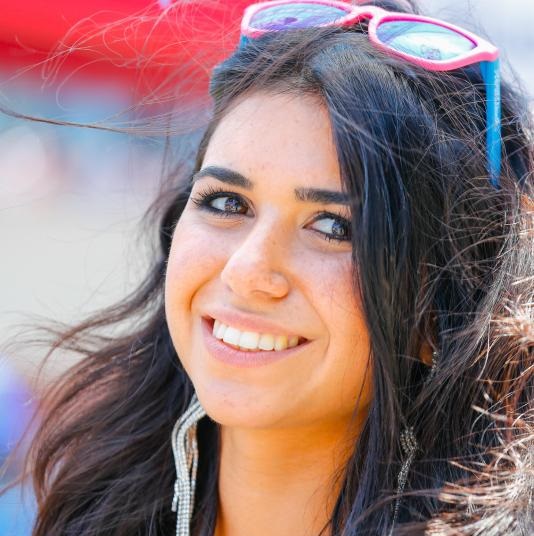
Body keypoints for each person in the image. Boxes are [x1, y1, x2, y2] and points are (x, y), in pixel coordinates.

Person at [2, 0, 532, 535]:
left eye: (333, 227)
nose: (247, 269)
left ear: (439, 311)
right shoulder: (79, 513)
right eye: (227, 203)